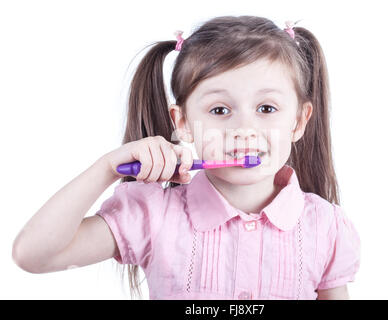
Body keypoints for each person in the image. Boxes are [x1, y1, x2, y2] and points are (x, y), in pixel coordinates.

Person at [12, 15, 361, 300]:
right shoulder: (153, 215)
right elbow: (33, 255)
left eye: (266, 108)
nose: (244, 128)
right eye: (220, 109)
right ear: (183, 123)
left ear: (299, 121)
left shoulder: (326, 226)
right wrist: (107, 167)